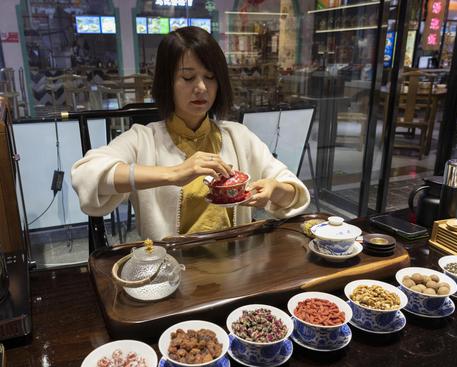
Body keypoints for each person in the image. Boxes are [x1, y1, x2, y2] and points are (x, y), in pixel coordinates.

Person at [71, 27, 310, 241]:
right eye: (187, 77)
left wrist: (275, 189)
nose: (202, 88)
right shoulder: (144, 140)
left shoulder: (239, 137)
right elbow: (86, 175)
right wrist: (172, 174)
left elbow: (293, 192)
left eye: (210, 77)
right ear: (167, 82)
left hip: (237, 270)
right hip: (170, 272)